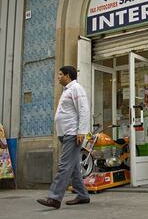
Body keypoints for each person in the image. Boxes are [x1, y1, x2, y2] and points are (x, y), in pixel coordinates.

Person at [37, 66, 90, 209]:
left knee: (64, 166)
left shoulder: (76, 88)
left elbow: (84, 109)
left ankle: (54, 198)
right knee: (72, 167)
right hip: (65, 133)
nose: (58, 77)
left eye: (60, 74)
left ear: (67, 76)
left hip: (73, 134)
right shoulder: (67, 90)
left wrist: (81, 131)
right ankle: (83, 195)